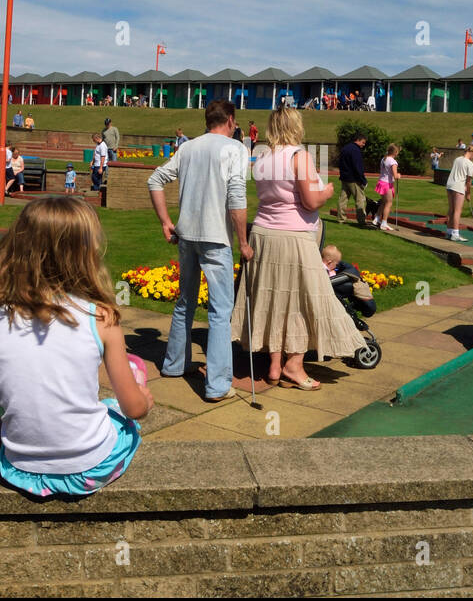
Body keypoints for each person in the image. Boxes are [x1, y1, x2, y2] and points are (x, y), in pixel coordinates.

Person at [0, 197, 153, 498]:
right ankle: (134, 375)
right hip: (90, 469)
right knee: (118, 409)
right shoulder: (101, 317)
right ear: (86, 254)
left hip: (19, 470)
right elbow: (135, 410)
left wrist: (17, 446)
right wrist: (144, 399)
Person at [231, 106, 363, 392]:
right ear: (295, 126)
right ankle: (293, 365)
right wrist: (326, 192)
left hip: (263, 234)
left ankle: (274, 366)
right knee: (304, 300)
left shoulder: (262, 157)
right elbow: (310, 201)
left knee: (276, 299)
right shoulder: (299, 156)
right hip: (294, 235)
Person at [147, 100, 252, 402]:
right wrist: (244, 242)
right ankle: (217, 385)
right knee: (220, 312)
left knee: (185, 302)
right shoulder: (235, 148)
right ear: (230, 120)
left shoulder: (188, 147)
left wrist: (165, 222)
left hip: (187, 235)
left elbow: (155, 179)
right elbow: (236, 197)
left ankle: (174, 364)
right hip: (216, 238)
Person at [336, 131, 369, 225]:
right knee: (360, 200)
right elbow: (358, 167)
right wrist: (363, 180)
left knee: (343, 199)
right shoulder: (355, 150)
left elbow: (340, 163)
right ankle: (361, 220)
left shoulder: (345, 148)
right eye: (363, 142)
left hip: (344, 177)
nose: (363, 145)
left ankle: (341, 219)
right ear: (358, 140)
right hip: (354, 179)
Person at [446, 144, 473, 242]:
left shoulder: (457, 159)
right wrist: (468, 194)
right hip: (458, 187)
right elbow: (469, 182)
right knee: (457, 211)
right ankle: (455, 234)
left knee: (451, 210)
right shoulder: (470, 164)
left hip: (449, 185)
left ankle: (449, 232)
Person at [372, 143, 400, 231]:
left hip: (381, 182)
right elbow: (395, 175)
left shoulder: (383, 159)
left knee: (383, 202)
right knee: (388, 203)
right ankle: (384, 223)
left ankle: (377, 218)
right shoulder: (393, 162)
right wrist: (398, 175)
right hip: (387, 184)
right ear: (395, 152)